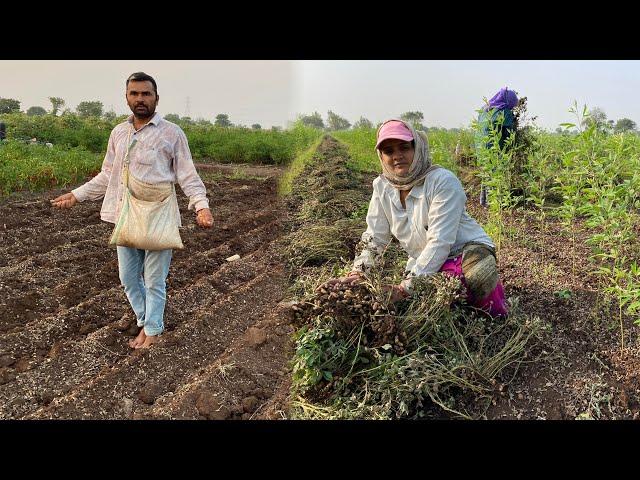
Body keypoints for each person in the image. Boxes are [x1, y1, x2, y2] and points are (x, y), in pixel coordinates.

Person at [50, 72, 214, 349]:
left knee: (153, 279)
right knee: (127, 278)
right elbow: (107, 175)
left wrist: (202, 206)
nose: (140, 99)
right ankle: (145, 321)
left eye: (146, 94)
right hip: (125, 214)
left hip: (158, 214)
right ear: (127, 98)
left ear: (156, 98)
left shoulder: (172, 133)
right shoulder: (119, 133)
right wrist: (77, 195)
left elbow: (188, 175)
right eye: (134, 94)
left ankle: (152, 331)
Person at [323, 119, 508, 317]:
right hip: (425, 258)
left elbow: (440, 241)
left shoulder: (442, 181)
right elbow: (374, 237)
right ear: (381, 156)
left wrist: (404, 288)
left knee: (477, 274)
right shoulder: (382, 186)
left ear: (416, 148)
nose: (397, 156)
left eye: (404, 147)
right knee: (428, 298)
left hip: (463, 251)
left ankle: (494, 313)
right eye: (389, 151)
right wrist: (358, 273)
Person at [475, 87, 519, 207]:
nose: (512, 108)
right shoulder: (504, 112)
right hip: (493, 148)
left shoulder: (484, 109)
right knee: (495, 175)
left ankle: (483, 201)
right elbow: (510, 134)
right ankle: (494, 204)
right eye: (512, 105)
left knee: (486, 173)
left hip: (480, 148)